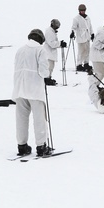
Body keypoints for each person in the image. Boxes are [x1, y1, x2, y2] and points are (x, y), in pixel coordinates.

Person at [13, 28, 52, 157]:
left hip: (19, 89)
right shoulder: (40, 50)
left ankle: (22, 146)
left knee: (21, 119)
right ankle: (41, 146)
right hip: (34, 89)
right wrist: (47, 75)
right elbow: (43, 71)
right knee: (39, 118)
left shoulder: (20, 50)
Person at [70, 4, 93, 73]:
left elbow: (90, 27)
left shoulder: (88, 18)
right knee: (81, 52)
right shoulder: (76, 18)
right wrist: (72, 32)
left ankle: (86, 63)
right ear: (79, 11)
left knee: (87, 51)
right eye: (81, 10)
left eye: (83, 10)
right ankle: (79, 65)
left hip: (87, 37)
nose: (82, 12)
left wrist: (92, 34)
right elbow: (73, 27)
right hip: (81, 37)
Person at [43, 18, 66, 85]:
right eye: (56, 27)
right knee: (49, 67)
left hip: (50, 53)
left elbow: (53, 43)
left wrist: (60, 44)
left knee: (51, 66)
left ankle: (49, 77)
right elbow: (51, 43)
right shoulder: (49, 31)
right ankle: (46, 79)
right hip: (48, 53)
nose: (57, 28)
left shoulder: (52, 31)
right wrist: (60, 43)